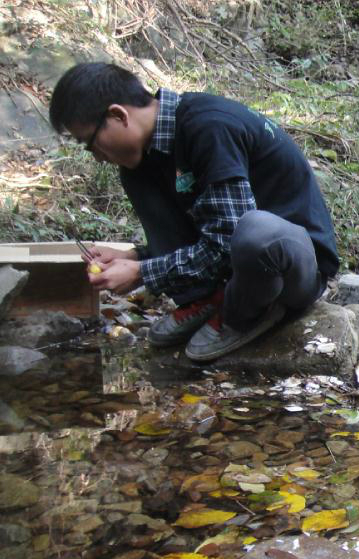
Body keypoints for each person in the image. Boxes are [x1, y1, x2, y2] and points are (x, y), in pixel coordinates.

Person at [48, 63, 340, 361]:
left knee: (256, 232)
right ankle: (210, 299)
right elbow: (207, 230)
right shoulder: (147, 158)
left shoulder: (208, 127)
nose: (96, 157)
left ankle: (244, 313)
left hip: (294, 266)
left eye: (91, 143)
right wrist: (135, 257)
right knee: (136, 175)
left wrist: (142, 273)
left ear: (118, 115)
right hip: (236, 260)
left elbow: (227, 240)